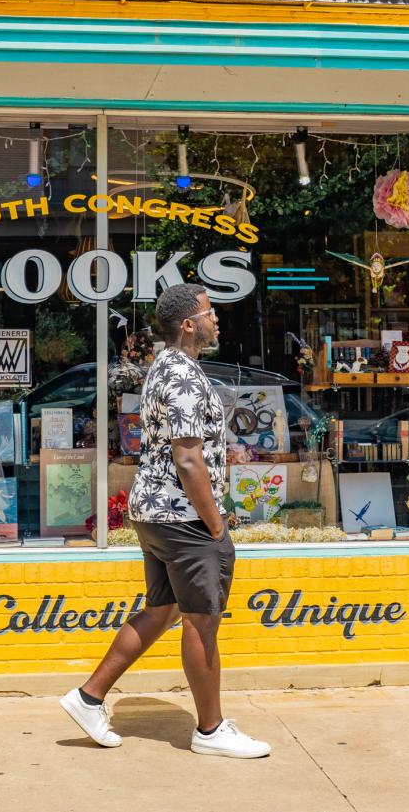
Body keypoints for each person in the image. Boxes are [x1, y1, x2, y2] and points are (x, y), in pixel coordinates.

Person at [60, 283, 270, 759]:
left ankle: (88, 697)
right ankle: (211, 731)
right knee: (202, 621)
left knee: (162, 610)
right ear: (189, 324)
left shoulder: (171, 368)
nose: (218, 319)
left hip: (159, 514)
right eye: (210, 312)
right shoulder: (180, 374)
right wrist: (216, 526)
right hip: (184, 518)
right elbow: (189, 459)